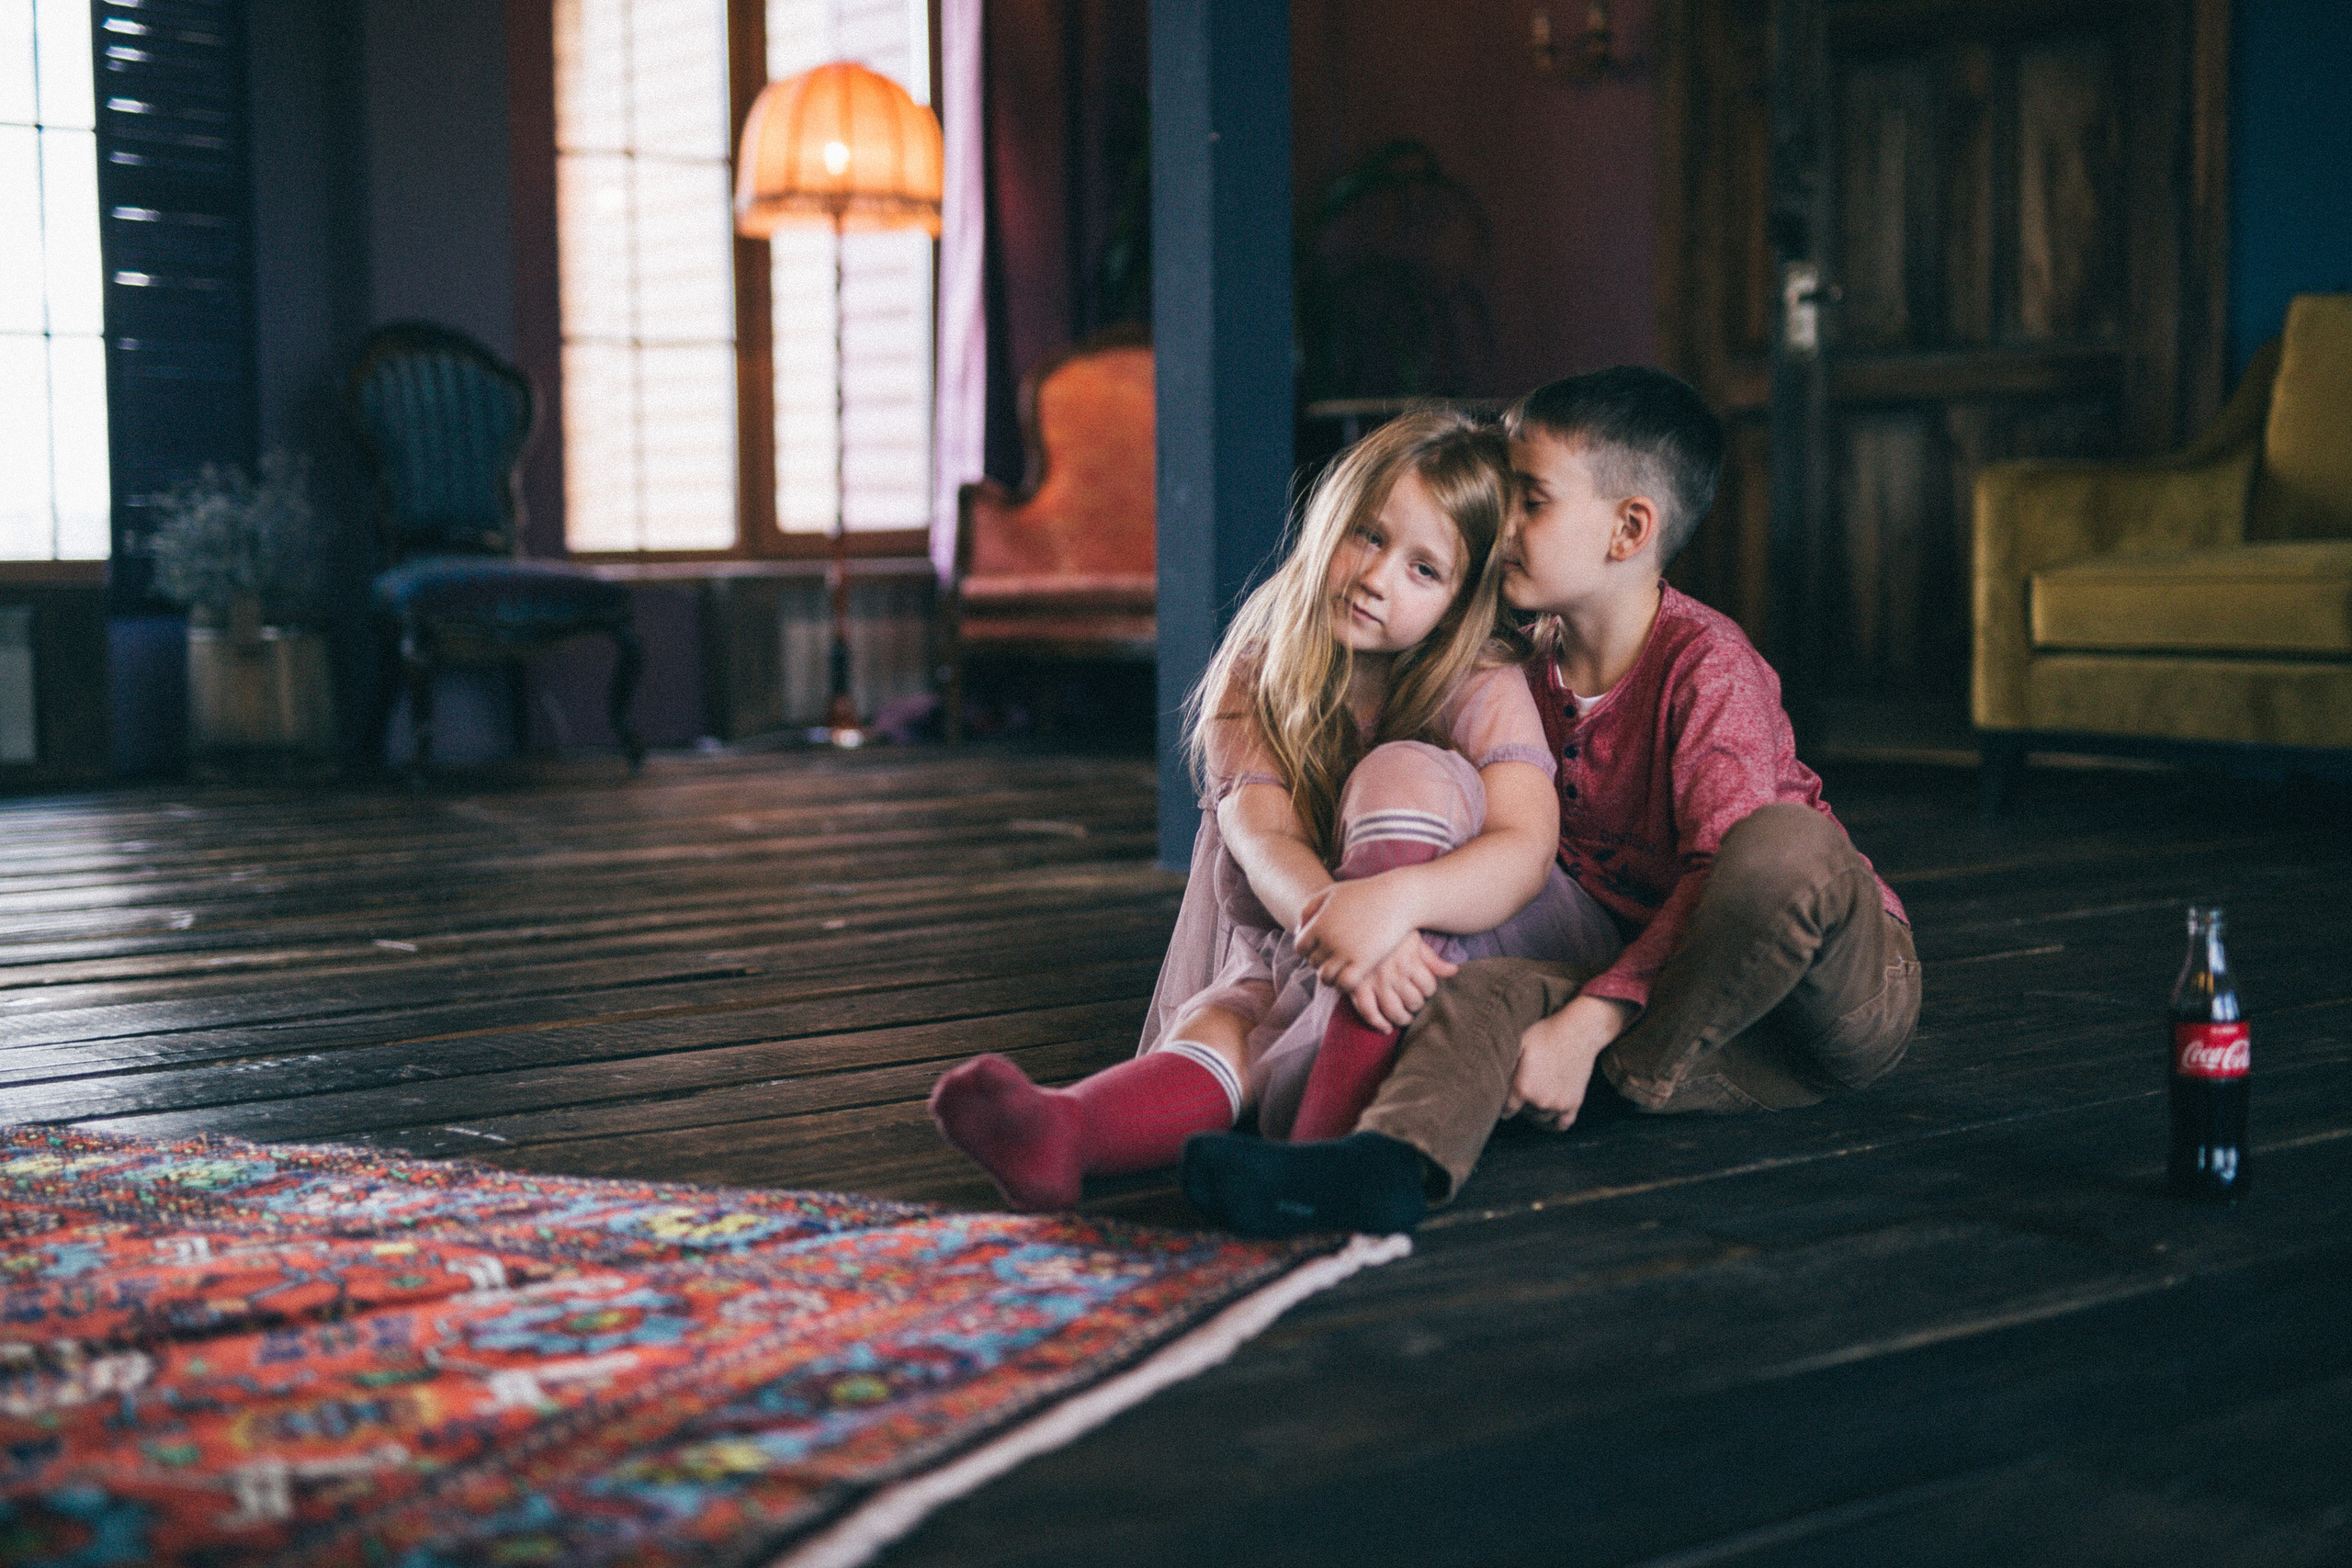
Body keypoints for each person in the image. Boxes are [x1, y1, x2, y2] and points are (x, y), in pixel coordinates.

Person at [1182, 367, 1921, 1236]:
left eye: (1528, 501)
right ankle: (1371, 1168)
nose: (1500, 529)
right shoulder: (1516, 666)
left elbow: (1731, 879)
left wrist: (1584, 1028)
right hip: (1686, 1015)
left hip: (1821, 996)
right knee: (1478, 996)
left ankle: (1609, 1068)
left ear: (1629, 528)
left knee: (1778, 848)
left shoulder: (1706, 665)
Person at [928, 410, 1591, 1215]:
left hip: (1478, 929)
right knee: (1235, 1020)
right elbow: (1262, 832)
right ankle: (1068, 1129)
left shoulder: (1479, 675)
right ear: (1327, 522)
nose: (1378, 576)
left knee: (1403, 773)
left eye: (1425, 569)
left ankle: (1316, 1159)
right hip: (1308, 922)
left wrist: (1395, 904)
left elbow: (1526, 846)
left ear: (1460, 601)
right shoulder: (1264, 667)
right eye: (1368, 535)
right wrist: (1343, 923)